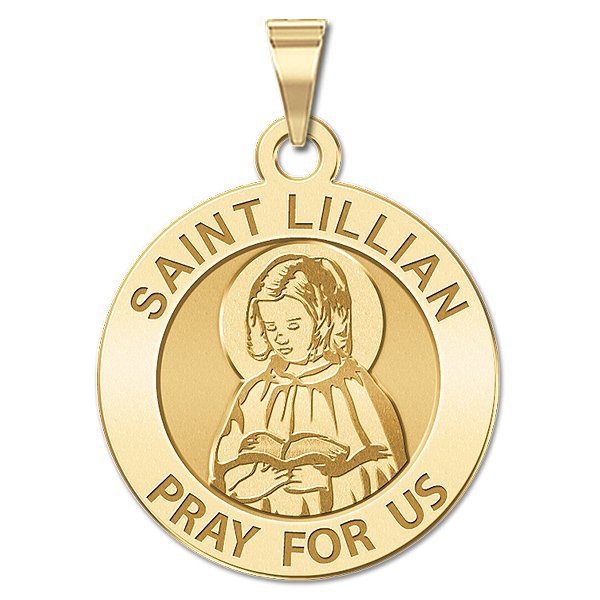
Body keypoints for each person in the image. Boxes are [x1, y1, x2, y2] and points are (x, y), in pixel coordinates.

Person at [210, 254, 408, 515]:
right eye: (271, 326)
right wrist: (247, 485)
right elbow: (222, 469)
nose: (281, 338)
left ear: (322, 320)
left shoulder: (354, 386)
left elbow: (390, 468)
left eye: (293, 325)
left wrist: (329, 482)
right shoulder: (255, 392)